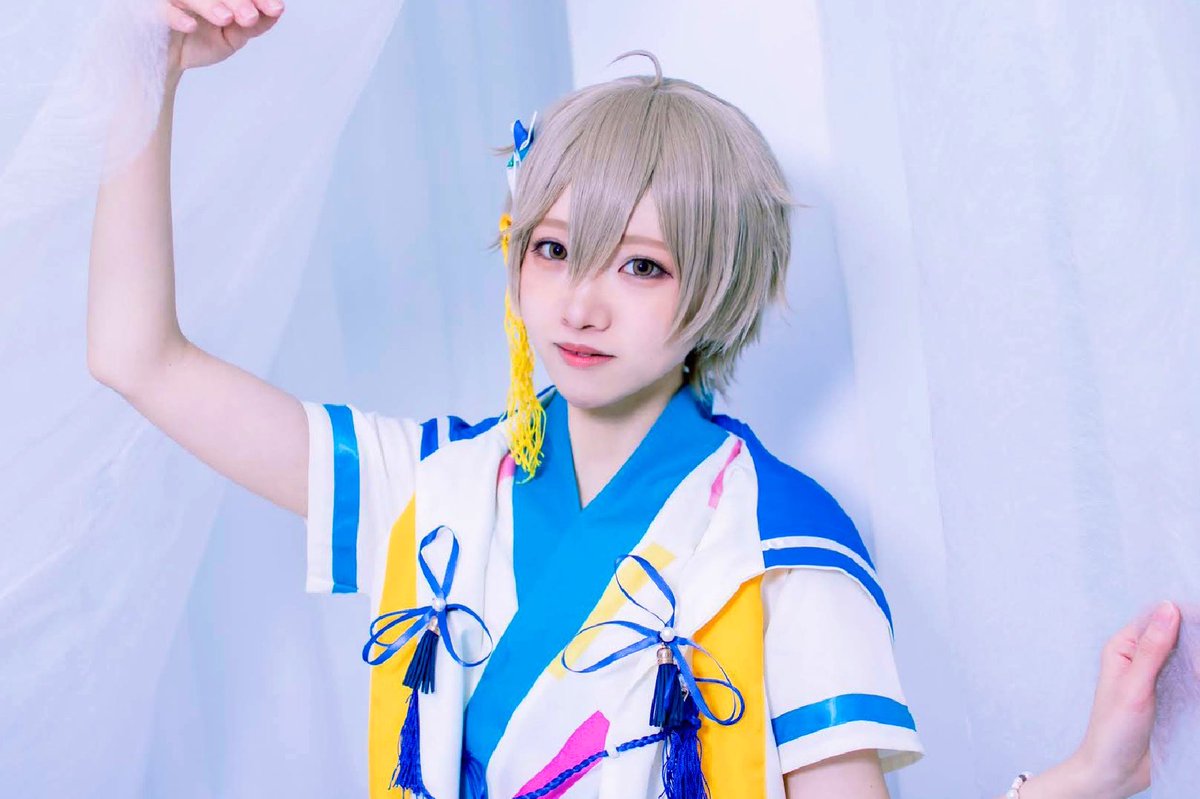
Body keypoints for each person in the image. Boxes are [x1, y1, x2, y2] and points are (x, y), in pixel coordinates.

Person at [86, 2, 1188, 798]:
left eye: (643, 266)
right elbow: (137, 356)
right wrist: (151, 64)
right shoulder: (434, 484)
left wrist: (1076, 781)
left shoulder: (778, 539)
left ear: (719, 293)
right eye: (555, 248)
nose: (582, 301)